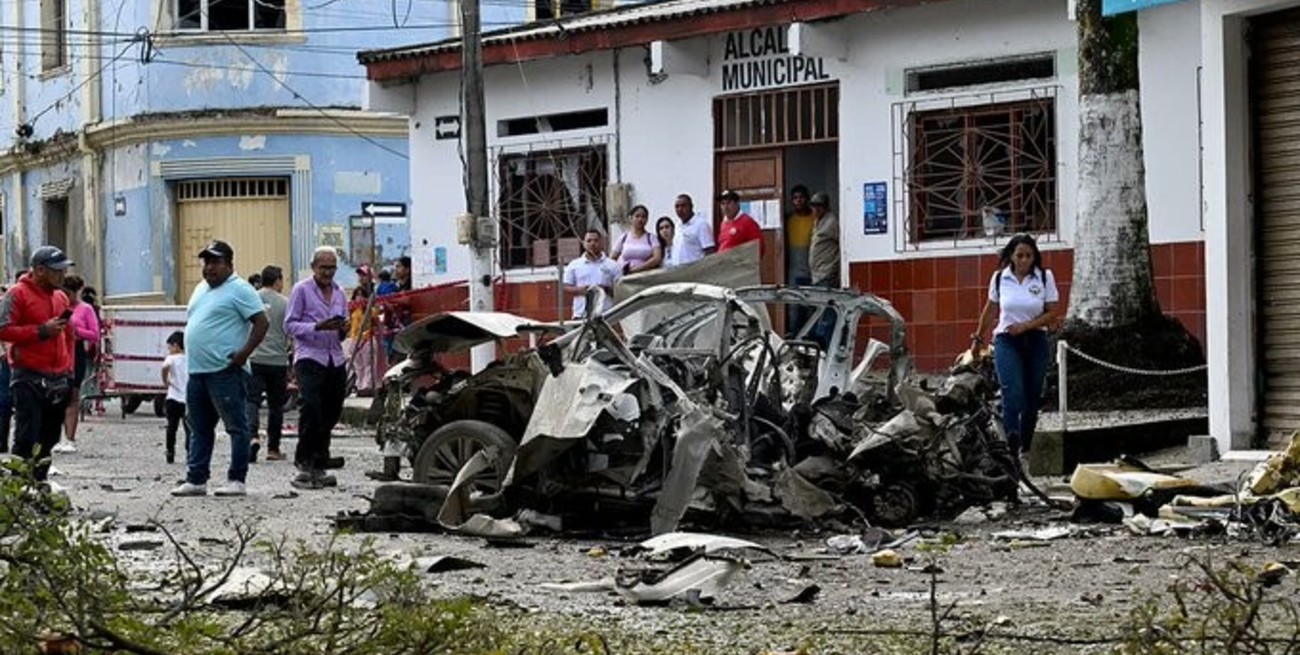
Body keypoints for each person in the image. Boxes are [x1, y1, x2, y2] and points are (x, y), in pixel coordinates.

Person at [171, 240, 269, 497]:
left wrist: (244, 353)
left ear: (229, 265)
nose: (209, 268)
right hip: (198, 371)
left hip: (224, 370)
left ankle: (237, 479)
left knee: (236, 426)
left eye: (215, 262)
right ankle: (196, 479)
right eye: (206, 262)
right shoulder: (201, 288)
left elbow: (261, 322)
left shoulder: (240, 289)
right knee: (198, 427)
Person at [971, 233, 1060, 469]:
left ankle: (1025, 448)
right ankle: (1010, 451)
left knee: (1032, 398)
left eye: (1029, 255)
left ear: (1034, 257)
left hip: (1035, 339)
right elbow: (990, 310)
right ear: (1011, 255)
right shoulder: (1000, 278)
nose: (1024, 260)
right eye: (1019, 255)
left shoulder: (1043, 277)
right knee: (1013, 394)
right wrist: (978, 339)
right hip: (1006, 339)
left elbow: (1052, 313)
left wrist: (1026, 326)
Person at [0, 248, 75, 481]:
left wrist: (69, 369)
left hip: (58, 376)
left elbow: (67, 335)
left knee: (50, 436)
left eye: (64, 270)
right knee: (26, 436)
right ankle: (20, 489)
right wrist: (41, 331)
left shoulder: (60, 296)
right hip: (28, 375)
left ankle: (39, 482)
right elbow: (3, 329)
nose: (63, 276)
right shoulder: (17, 294)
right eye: (57, 271)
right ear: (40, 270)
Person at [284, 246, 350, 490]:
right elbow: (289, 325)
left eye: (332, 268)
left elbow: (343, 329)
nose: (328, 272)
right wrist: (317, 327)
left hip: (335, 357)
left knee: (331, 410)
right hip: (310, 356)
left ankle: (320, 462)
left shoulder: (340, 293)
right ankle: (305, 463)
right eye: (324, 267)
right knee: (311, 407)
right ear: (314, 267)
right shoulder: (301, 290)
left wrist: (342, 328)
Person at [247, 265, 292, 462]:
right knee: (276, 406)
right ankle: (273, 449)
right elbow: (291, 332)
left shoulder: (251, 299)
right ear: (277, 281)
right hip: (278, 361)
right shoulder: (286, 303)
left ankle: (252, 437)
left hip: (255, 358)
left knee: (252, 401)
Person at [52, 275, 99, 454]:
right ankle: (55, 437)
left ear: (74, 292)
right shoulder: (56, 305)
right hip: (57, 350)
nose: (66, 297)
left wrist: (76, 330)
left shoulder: (85, 309)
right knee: (56, 396)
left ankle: (70, 438)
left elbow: (94, 334)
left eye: (68, 294)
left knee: (73, 394)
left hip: (76, 351)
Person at [562, 229, 621, 319]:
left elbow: (622, 291)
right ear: (583, 243)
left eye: (596, 240)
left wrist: (605, 289)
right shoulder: (574, 265)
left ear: (602, 243)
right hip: (581, 315)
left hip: (606, 315)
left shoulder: (613, 265)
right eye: (589, 241)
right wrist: (581, 290)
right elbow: (565, 287)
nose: (592, 244)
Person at [161, 331, 189, 464]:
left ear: (176, 345)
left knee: (172, 427)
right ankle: (190, 452)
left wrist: (165, 380)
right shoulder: (189, 358)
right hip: (187, 398)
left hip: (173, 397)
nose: (169, 350)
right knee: (189, 427)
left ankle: (170, 451)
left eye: (170, 347)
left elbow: (164, 367)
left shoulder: (171, 358)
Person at [611, 205, 663, 274]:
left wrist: (638, 269)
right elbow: (612, 258)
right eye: (637, 216)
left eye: (643, 217)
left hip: (646, 276)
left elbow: (657, 258)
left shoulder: (651, 238)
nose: (640, 219)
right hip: (626, 276)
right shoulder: (624, 238)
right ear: (631, 218)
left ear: (647, 219)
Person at [670, 194, 715, 267]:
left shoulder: (701, 225)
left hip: (694, 271)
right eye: (677, 206)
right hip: (677, 271)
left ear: (691, 206)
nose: (680, 209)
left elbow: (709, 251)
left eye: (683, 206)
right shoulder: (677, 225)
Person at [808, 192, 841, 288]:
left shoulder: (831, 222)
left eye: (819, 206)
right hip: (817, 275)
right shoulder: (817, 221)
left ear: (825, 207)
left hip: (827, 273)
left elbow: (842, 244)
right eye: (813, 206)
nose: (816, 209)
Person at [716, 190, 764, 255]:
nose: (725, 207)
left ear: (737, 203)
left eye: (729, 203)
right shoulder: (723, 223)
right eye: (723, 204)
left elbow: (759, 247)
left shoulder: (747, 222)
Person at [785, 185, 814, 289]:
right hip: (794, 269)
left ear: (807, 199)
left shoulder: (815, 219)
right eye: (795, 198)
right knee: (794, 301)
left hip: (812, 268)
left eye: (801, 197)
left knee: (811, 301)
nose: (799, 201)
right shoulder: (788, 220)